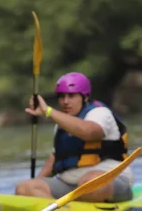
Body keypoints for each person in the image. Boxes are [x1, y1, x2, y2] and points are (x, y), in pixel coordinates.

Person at [15, 71, 133, 203]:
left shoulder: (100, 113)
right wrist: (36, 183)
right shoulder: (61, 124)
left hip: (108, 181)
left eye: (71, 96)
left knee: (90, 183)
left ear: (85, 97)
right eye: (62, 96)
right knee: (24, 188)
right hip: (71, 186)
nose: (65, 101)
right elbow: (54, 159)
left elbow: (88, 131)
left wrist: (48, 112)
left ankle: (76, 208)